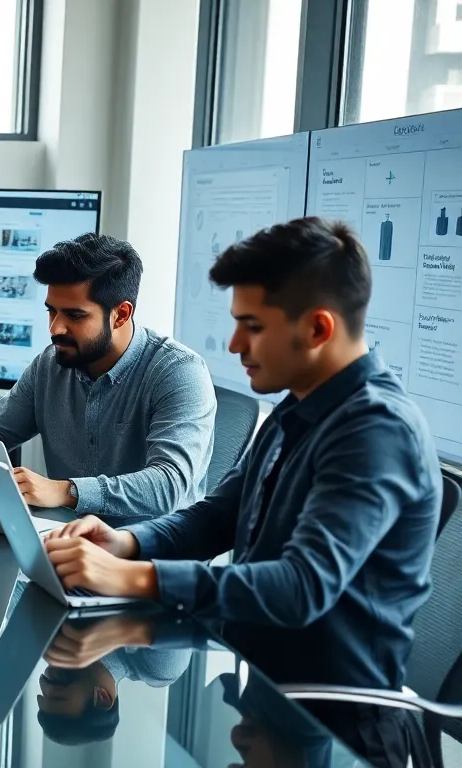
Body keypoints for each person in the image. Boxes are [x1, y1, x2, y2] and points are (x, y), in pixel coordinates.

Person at [41, 217, 442, 699]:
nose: (234, 345)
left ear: (317, 328)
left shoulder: (376, 431)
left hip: (336, 720)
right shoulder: (298, 408)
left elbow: (301, 587)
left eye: (251, 327)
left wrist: (132, 576)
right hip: (267, 687)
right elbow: (217, 516)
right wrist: (125, 542)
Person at [0, 233, 216, 520]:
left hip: (145, 554)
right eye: (52, 312)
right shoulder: (49, 364)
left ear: (120, 314)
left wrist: (65, 491)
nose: (55, 328)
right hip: (65, 539)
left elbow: (169, 485)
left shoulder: (179, 372)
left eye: (75, 315)